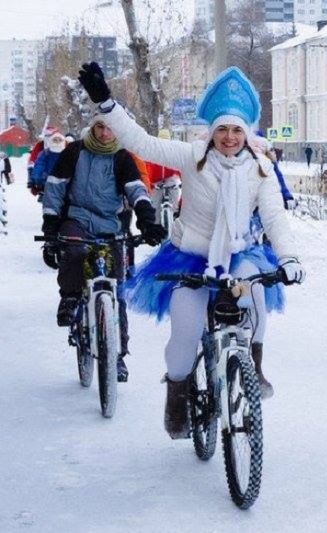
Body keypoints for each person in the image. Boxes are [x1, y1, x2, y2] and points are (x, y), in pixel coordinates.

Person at [77, 62, 305, 438]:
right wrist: (106, 104)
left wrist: (288, 258)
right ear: (212, 131)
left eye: (236, 130)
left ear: (246, 133)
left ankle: (254, 368)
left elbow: (275, 216)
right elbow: (141, 142)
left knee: (257, 298)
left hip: (240, 255)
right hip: (190, 255)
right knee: (184, 333)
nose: (229, 137)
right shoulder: (191, 156)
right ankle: (178, 392)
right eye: (222, 130)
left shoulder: (260, 169)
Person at [40, 114, 165, 383]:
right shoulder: (75, 151)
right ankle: (71, 298)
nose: (105, 133)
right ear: (92, 127)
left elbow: (135, 189)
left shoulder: (122, 156)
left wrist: (146, 219)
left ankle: (117, 354)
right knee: (74, 251)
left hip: (111, 224)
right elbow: (55, 188)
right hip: (77, 218)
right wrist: (51, 229)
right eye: (100, 127)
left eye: (110, 128)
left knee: (116, 291)